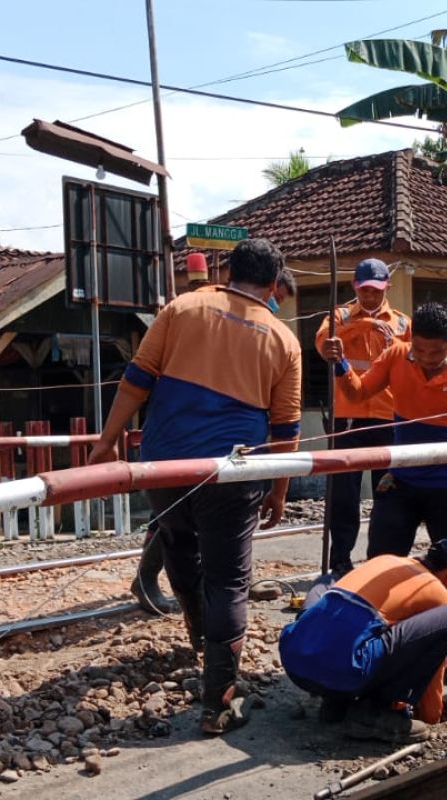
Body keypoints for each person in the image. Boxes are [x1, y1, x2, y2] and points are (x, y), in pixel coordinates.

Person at [88, 237, 301, 737]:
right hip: (233, 473)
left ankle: (204, 649)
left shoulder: (181, 309)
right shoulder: (282, 339)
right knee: (228, 581)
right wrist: (279, 489)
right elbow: (286, 428)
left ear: (227, 271)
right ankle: (219, 702)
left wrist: (106, 442)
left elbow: (136, 380)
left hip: (163, 463)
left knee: (180, 550)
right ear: (273, 285)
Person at [323, 301, 447, 687]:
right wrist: (340, 364)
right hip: (400, 483)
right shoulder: (397, 356)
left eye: (436, 352)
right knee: (381, 561)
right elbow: (358, 393)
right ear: (410, 340)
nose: (428, 359)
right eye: (420, 350)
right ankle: (374, 638)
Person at [130, 266, 299, 617]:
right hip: (191, 441)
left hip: (193, 443)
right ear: (268, 287)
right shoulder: (199, 308)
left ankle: (211, 602)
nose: (274, 306)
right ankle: (165, 585)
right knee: (188, 521)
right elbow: (141, 374)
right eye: (276, 298)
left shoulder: (221, 314)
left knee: (194, 522)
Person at [278, 538, 447, 743]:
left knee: (329, 585)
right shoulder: (439, 595)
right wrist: (432, 717)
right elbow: (433, 671)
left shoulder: (386, 561)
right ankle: (374, 712)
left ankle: (335, 703)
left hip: (294, 660)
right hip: (342, 674)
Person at [313, 257, 411, 576]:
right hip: (348, 414)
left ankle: (381, 559)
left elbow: (411, 359)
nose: (370, 296)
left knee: (387, 491)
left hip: (386, 414)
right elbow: (324, 342)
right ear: (355, 287)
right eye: (364, 290)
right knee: (344, 492)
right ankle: (340, 558)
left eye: (376, 290)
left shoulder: (401, 323)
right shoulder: (339, 315)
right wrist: (364, 324)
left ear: (387, 288)